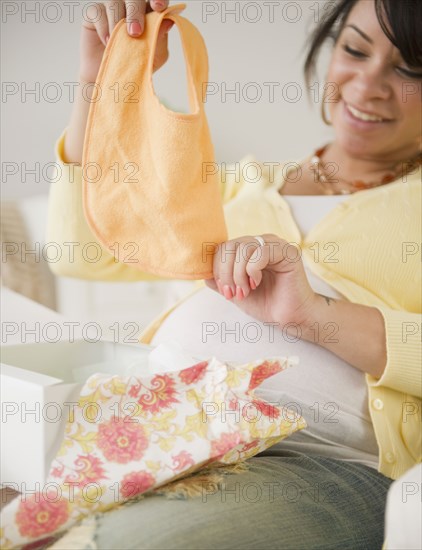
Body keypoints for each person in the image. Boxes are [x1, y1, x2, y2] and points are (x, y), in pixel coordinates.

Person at [46, 0, 421, 547]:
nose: (367, 85)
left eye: (410, 68)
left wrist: (319, 318)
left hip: (319, 462)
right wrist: (103, 80)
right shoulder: (237, 184)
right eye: (355, 49)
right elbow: (81, 250)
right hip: (161, 427)